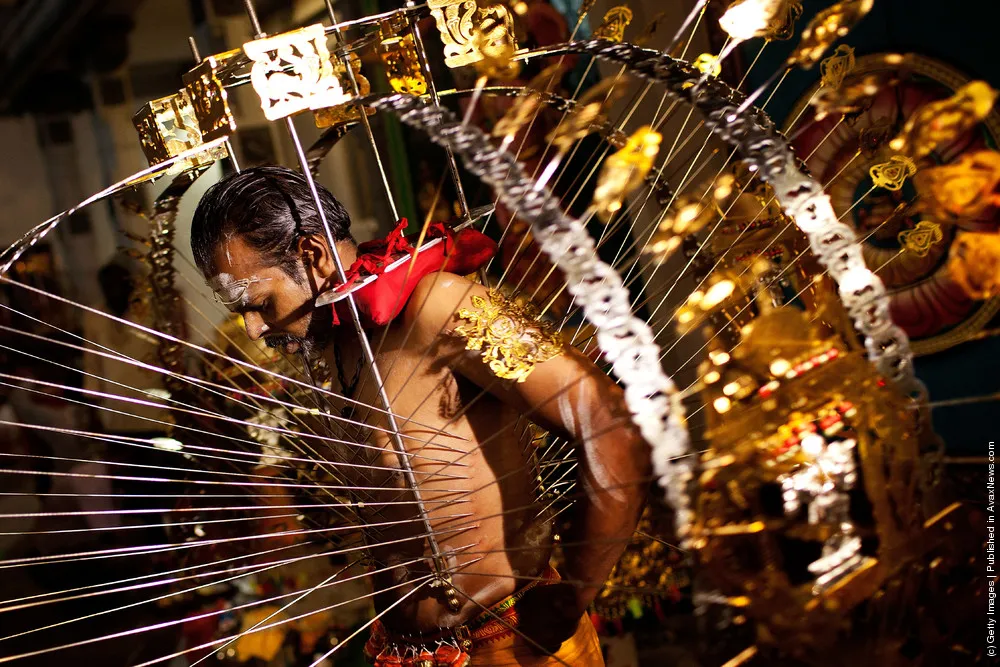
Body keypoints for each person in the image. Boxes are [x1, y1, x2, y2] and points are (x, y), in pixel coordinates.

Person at [190, 166, 650, 666]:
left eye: (258, 303)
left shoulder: (437, 306)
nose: (254, 330)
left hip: (514, 646)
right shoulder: (325, 352)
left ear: (312, 254)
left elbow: (612, 427)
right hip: (401, 653)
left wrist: (574, 594)